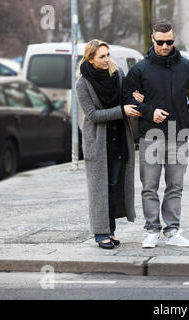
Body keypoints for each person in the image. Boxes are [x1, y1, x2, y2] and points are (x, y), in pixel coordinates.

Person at [123, 20, 189, 248]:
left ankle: (172, 230)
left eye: (169, 41)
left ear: (173, 38)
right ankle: (151, 230)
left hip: (178, 135)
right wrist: (149, 111)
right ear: (152, 39)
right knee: (149, 185)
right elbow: (127, 99)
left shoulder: (187, 67)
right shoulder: (139, 69)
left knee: (175, 185)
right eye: (160, 42)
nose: (165, 46)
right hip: (151, 135)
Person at [76, 39, 144, 249]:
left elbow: (126, 99)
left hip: (119, 141)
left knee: (113, 186)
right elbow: (93, 115)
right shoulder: (82, 83)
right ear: (90, 59)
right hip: (97, 142)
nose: (107, 60)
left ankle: (110, 231)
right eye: (101, 56)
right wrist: (122, 110)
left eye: (107, 55)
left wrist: (135, 98)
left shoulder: (117, 75)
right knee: (99, 189)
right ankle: (100, 233)